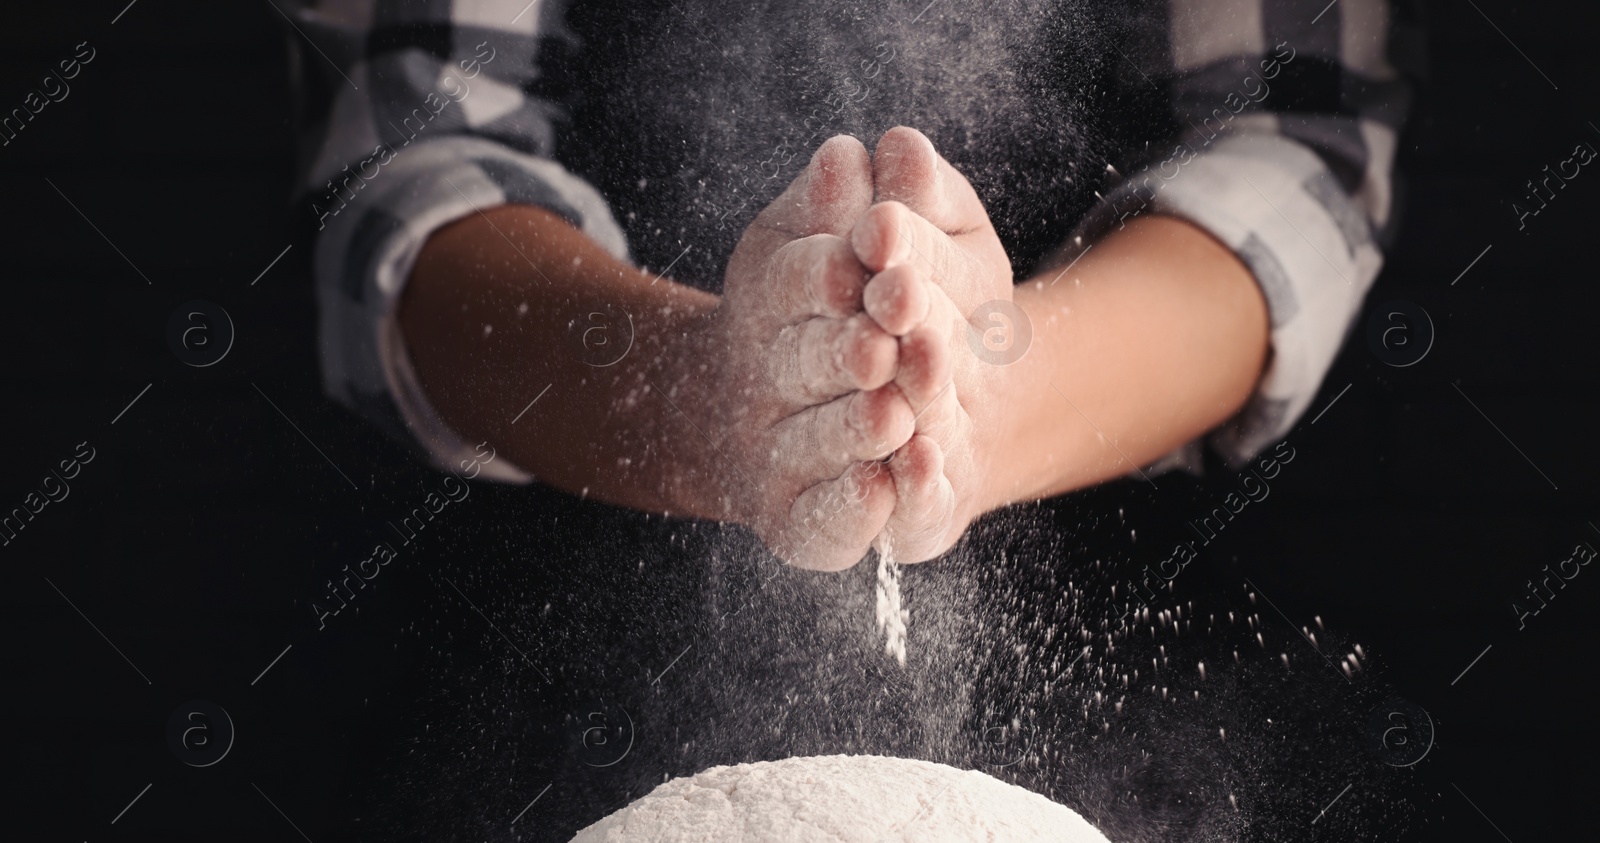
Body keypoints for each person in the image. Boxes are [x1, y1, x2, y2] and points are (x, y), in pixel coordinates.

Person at [288, 0, 1406, 571]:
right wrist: (695, 398)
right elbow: (412, 157)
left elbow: (1289, 151)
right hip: (523, 721)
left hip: (1169, 686)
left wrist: (992, 395)